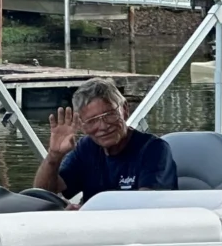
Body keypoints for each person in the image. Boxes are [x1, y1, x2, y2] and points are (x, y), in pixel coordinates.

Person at [35, 77, 177, 201]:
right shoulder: (86, 148)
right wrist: (54, 156)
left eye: (110, 114)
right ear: (82, 126)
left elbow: (147, 204)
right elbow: (43, 193)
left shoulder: (154, 149)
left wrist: (88, 212)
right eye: (92, 121)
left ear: (125, 110)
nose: (103, 126)